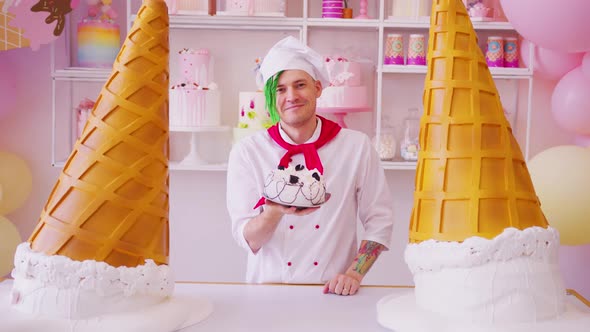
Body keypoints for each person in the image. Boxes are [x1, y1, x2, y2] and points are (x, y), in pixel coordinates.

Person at [226, 36, 394, 296]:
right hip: (267, 293)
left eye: (300, 85)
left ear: (317, 87)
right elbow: (248, 238)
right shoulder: (248, 152)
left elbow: (380, 220)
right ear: (271, 97)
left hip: (334, 292)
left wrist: (354, 274)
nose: (291, 96)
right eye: (280, 89)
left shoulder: (356, 147)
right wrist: (274, 211)